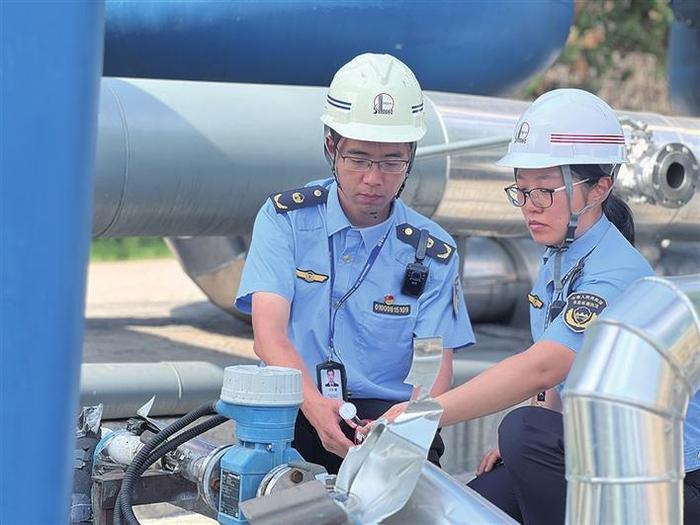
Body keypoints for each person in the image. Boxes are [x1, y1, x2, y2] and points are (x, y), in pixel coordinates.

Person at [375, 88, 700, 524]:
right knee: (476, 504)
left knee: (522, 431)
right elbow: (562, 386)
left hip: (670, 480)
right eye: (522, 191)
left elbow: (544, 366)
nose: (530, 207)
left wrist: (426, 412)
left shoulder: (616, 272)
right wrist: (523, 452)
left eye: (545, 191)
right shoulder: (559, 258)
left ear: (599, 188)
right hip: (610, 452)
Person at [235, 53, 475, 474]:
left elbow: (436, 365)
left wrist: (403, 424)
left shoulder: (433, 252)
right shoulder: (285, 220)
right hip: (293, 406)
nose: (373, 178)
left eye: (391, 162)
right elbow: (268, 337)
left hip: (389, 418)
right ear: (331, 146)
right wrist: (314, 406)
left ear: (411, 158)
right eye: (359, 158)